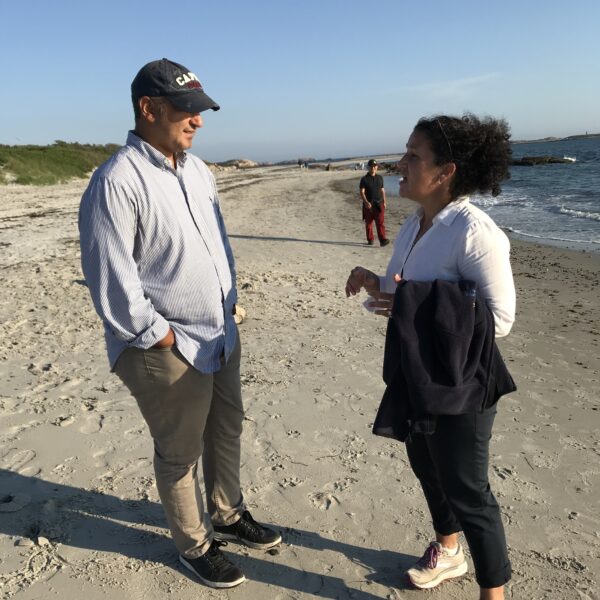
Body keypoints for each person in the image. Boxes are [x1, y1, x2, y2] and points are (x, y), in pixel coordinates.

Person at [78, 58, 281, 590]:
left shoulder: (198, 170)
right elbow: (112, 282)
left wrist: (230, 302)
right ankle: (195, 544)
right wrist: (163, 338)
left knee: (227, 426)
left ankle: (228, 514)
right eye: (187, 109)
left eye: (200, 109)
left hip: (220, 332)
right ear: (149, 109)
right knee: (180, 452)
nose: (198, 120)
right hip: (164, 346)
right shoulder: (116, 181)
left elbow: (218, 245)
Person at [345, 114, 515, 600]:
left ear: (445, 173)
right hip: (417, 372)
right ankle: (449, 549)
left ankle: (494, 594)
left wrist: (413, 305)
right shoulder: (414, 226)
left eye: (413, 156)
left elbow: (500, 319)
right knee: (426, 465)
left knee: (469, 491)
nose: (400, 164)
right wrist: (375, 282)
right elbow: (406, 290)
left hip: (463, 381)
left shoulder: (474, 232)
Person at [359, 159, 389, 246]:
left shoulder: (380, 178)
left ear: (377, 167)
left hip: (379, 204)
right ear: (368, 167)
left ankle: (383, 240)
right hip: (368, 205)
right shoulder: (364, 179)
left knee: (380, 223)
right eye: (371, 166)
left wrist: (385, 202)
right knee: (368, 224)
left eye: (375, 166)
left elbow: (382, 191)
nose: (373, 168)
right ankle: (370, 239)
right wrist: (366, 202)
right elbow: (362, 192)